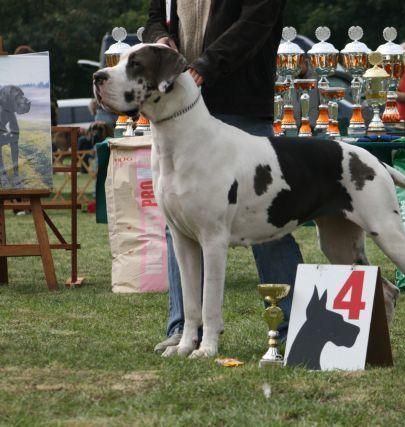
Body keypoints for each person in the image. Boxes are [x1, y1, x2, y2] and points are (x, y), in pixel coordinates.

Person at [144, 0, 304, 353]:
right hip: (180, 108)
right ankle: (185, 328)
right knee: (178, 219)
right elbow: (156, 18)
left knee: (268, 220)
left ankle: (295, 325)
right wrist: (160, 43)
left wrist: (204, 66)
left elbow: (256, 21)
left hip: (238, 103)